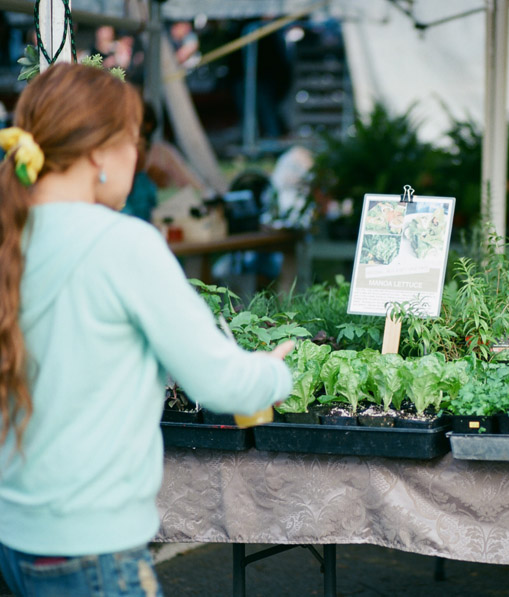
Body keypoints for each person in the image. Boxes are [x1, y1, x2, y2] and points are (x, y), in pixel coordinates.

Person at [0, 64, 293, 595]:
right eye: (134, 142)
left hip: (15, 539)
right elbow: (221, 384)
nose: (138, 159)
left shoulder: (11, 236)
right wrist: (273, 374)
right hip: (91, 547)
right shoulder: (124, 244)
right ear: (99, 154)